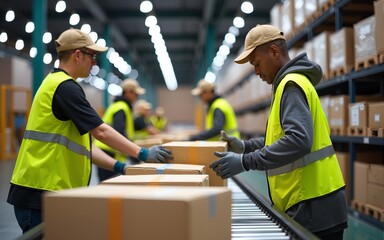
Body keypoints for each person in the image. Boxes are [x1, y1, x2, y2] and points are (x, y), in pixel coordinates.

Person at [7, 28, 172, 234]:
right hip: (39, 194)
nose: (94, 62)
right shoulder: (65, 87)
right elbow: (101, 132)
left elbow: (86, 147)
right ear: (77, 55)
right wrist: (142, 153)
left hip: (45, 192)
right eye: (92, 56)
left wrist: (121, 167)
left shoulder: (59, 85)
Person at [209, 24, 348, 240]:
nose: (256, 71)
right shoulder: (286, 84)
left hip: (314, 203)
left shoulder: (290, 86)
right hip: (310, 199)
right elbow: (280, 138)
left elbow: (299, 140)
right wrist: (246, 146)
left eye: (256, 63)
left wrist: (246, 161)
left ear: (274, 52)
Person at [93, 78, 145, 182]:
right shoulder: (121, 107)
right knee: (108, 185)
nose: (137, 97)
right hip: (107, 150)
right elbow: (119, 131)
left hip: (109, 149)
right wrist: (135, 154)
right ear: (128, 92)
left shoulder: (120, 106)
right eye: (135, 93)